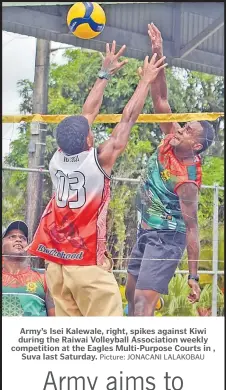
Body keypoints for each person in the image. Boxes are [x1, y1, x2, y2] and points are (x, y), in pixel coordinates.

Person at [28, 40, 167, 316]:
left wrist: (104, 73)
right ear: (88, 139)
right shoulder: (98, 160)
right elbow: (127, 119)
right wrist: (145, 82)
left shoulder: (57, 158)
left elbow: (87, 113)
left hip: (56, 264)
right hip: (86, 266)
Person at [126, 23, 215, 316]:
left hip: (167, 238)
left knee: (141, 302)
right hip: (146, 229)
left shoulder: (187, 180)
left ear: (197, 147)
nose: (180, 129)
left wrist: (192, 276)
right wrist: (159, 52)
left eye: (187, 130)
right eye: (183, 124)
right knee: (130, 295)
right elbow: (161, 99)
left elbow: (192, 228)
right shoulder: (170, 136)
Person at [2, 220, 55, 316]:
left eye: (23, 238)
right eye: (12, 237)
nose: (18, 239)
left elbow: (56, 318)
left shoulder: (45, 278)